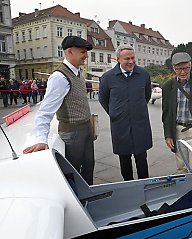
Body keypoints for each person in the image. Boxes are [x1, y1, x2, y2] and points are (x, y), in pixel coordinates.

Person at [23, 36, 95, 185]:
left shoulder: (78, 72)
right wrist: (41, 139)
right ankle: (76, 204)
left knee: (88, 167)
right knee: (73, 173)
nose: (86, 56)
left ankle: (88, 200)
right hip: (72, 134)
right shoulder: (59, 77)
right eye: (82, 52)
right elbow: (45, 112)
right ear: (69, 52)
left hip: (86, 129)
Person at [99, 45, 152, 181]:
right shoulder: (108, 77)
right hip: (120, 126)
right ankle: (128, 186)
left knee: (142, 160)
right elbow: (103, 98)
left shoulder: (144, 75)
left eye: (133, 58)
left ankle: (143, 186)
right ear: (118, 59)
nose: (131, 62)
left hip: (140, 125)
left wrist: (136, 110)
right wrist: (115, 113)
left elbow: (147, 95)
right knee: (124, 160)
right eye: (126, 59)